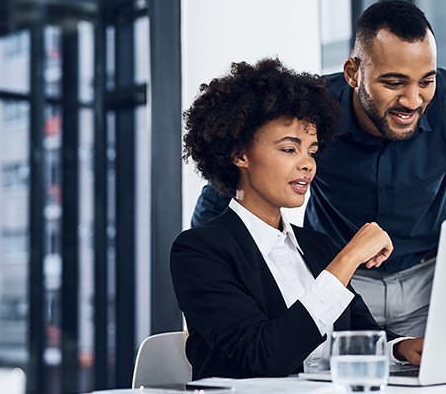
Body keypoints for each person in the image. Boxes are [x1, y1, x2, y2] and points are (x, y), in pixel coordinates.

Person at [191, 0, 446, 338]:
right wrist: (206, 302)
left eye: (426, 81)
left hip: (429, 283)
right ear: (353, 73)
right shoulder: (312, 113)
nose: (412, 100)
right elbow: (227, 191)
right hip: (337, 283)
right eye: (394, 83)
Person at [171, 58, 425, 380]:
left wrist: (402, 349)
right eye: (290, 149)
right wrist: (348, 258)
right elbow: (264, 356)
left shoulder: (316, 245)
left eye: (312, 151)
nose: (308, 164)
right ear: (240, 155)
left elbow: (359, 335)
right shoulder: (199, 251)